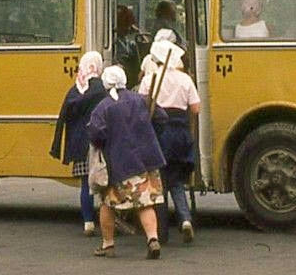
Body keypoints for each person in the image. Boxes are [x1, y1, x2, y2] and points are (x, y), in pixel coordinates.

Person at [86, 64, 167, 259]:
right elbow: (162, 118)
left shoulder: (103, 107)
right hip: (146, 161)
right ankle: (152, 238)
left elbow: (96, 134)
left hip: (119, 164)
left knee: (108, 203)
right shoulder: (141, 99)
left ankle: (108, 244)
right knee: (145, 203)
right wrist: (149, 133)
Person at [141, 38, 201, 243]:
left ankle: (161, 231)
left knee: (159, 184)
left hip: (159, 133)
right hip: (181, 133)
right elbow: (196, 108)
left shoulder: (151, 79)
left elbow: (142, 105)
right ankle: (185, 219)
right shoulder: (185, 80)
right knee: (176, 181)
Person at [49, 51, 107, 235]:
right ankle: (108, 220)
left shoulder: (74, 90)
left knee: (85, 185)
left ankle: (88, 221)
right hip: (100, 142)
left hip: (80, 145)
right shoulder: (102, 88)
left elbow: (64, 118)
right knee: (105, 183)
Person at [112, 4, 145, 79]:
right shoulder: (114, 40)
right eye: (127, 25)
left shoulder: (126, 40)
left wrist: (139, 32)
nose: (129, 29)